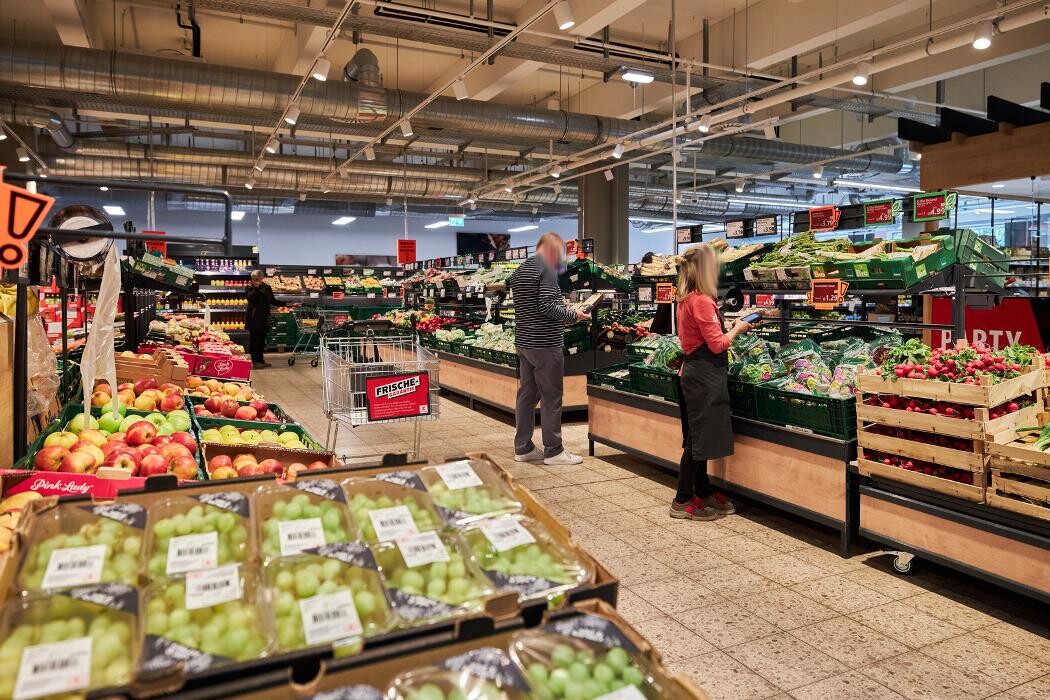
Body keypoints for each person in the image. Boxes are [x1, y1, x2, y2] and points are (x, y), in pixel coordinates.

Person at [670, 243, 751, 520]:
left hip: (693, 373)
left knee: (698, 439)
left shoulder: (686, 298)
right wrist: (738, 328)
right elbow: (717, 345)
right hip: (703, 376)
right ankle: (681, 500)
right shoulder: (702, 300)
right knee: (696, 441)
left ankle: (702, 491)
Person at [511, 232, 590, 466]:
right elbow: (546, 305)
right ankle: (554, 451)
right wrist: (573, 315)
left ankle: (523, 447)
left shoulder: (521, 270)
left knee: (526, 396)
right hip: (545, 343)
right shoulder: (545, 267)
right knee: (551, 396)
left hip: (524, 342)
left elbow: (533, 305)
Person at [246, 269, 277, 369]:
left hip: (264, 318)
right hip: (254, 318)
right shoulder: (249, 288)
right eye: (254, 279)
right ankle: (255, 361)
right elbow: (250, 298)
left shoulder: (267, 287)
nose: (256, 281)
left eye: (258, 279)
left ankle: (261, 360)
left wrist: (287, 303)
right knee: (254, 340)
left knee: (262, 340)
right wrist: (256, 289)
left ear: (262, 278)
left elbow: (273, 301)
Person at [640, 252, 673, 335]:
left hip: (666, 330)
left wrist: (653, 330)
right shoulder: (663, 280)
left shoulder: (665, 283)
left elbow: (662, 310)